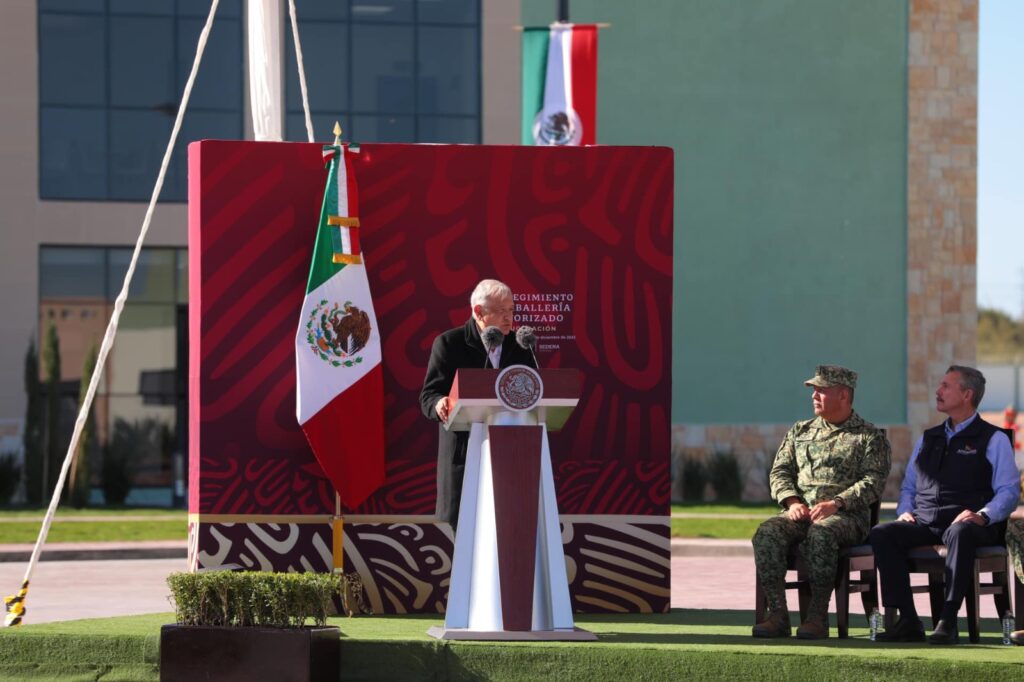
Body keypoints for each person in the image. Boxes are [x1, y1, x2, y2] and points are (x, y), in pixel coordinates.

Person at [870, 365, 1020, 645]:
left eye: (946, 386)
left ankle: (948, 620)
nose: (938, 392)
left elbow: (1009, 491)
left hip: (971, 525)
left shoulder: (993, 438)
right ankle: (909, 620)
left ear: (966, 394)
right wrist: (904, 511)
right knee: (882, 533)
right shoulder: (929, 438)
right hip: (926, 522)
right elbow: (909, 486)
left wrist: (983, 515)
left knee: (959, 533)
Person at [752, 365, 892, 640]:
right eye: (813, 391)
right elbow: (779, 472)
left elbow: (873, 482)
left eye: (821, 391)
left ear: (843, 395)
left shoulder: (868, 437)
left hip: (846, 517)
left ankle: (817, 618)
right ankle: (778, 615)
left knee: (822, 533)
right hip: (801, 513)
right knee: (766, 533)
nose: (814, 396)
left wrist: (837, 503)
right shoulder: (799, 431)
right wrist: (792, 502)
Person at [419, 279, 537, 531]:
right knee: (466, 533)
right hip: (465, 453)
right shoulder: (450, 343)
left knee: (509, 530)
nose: (509, 318)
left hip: (511, 456)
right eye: (501, 312)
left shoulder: (520, 347)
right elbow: (429, 394)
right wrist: (440, 403)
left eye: (512, 310)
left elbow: (535, 394)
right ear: (478, 312)